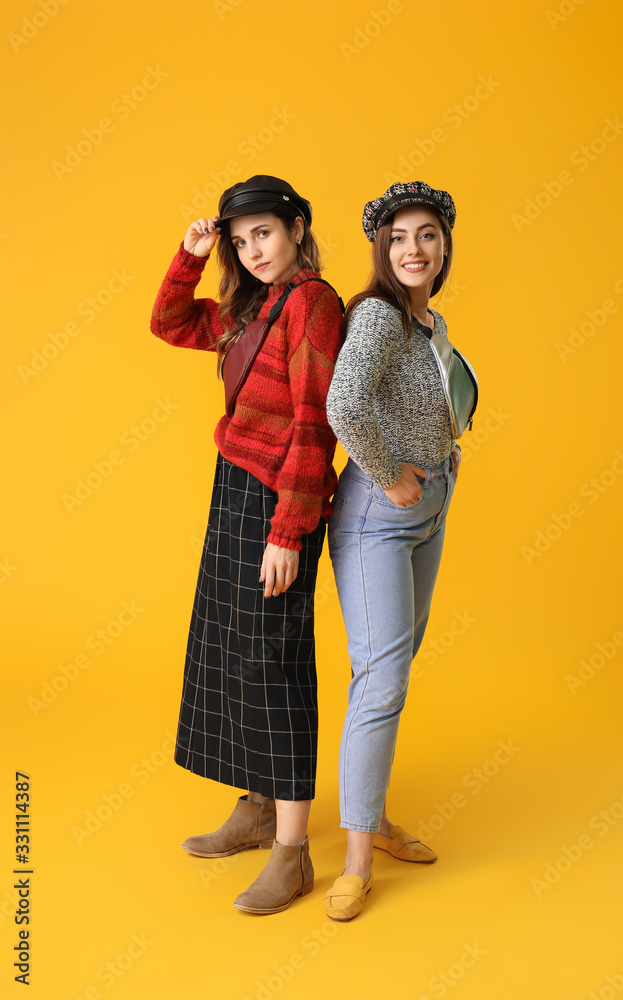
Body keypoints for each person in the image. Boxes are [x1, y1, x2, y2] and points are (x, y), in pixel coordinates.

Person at [150, 174, 345, 914]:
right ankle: (258, 808)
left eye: (262, 232)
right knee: (233, 648)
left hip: (277, 496)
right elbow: (170, 323)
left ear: (296, 226)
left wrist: (290, 530)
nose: (252, 249)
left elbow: (312, 422)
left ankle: (292, 854)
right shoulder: (251, 307)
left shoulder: (313, 304)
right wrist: (190, 254)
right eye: (240, 240)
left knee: (275, 659)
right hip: (232, 486)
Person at [323, 181, 465, 920]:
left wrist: (433, 475)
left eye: (427, 236)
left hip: (430, 502)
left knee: (392, 668)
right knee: (381, 682)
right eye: (399, 237)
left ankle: (370, 817)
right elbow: (342, 403)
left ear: (443, 247)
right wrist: (389, 476)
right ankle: (354, 860)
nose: (414, 249)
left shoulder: (427, 321)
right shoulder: (377, 315)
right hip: (381, 512)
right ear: (381, 249)